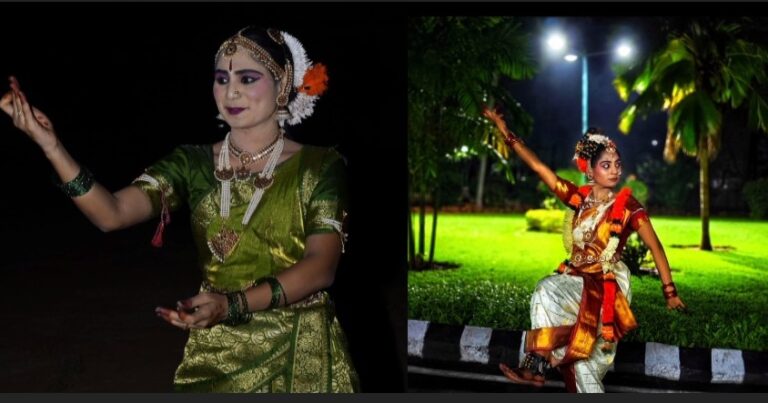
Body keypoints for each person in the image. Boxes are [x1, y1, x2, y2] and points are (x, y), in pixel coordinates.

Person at [1, 26, 359, 393]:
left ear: (283, 85)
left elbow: (321, 267)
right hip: (216, 350)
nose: (230, 91)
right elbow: (111, 213)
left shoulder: (319, 167)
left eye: (247, 78)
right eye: (221, 79)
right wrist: (52, 147)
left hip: (300, 354)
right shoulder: (192, 163)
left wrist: (231, 305)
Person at [482, 107, 687, 393]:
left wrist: (670, 292)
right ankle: (538, 364)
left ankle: (543, 360)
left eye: (617, 164)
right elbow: (539, 169)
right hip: (576, 279)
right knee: (546, 295)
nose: (615, 170)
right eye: (606, 165)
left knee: (585, 362)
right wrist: (506, 133)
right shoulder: (578, 199)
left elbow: (656, 247)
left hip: (607, 285)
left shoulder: (629, 207)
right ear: (589, 170)